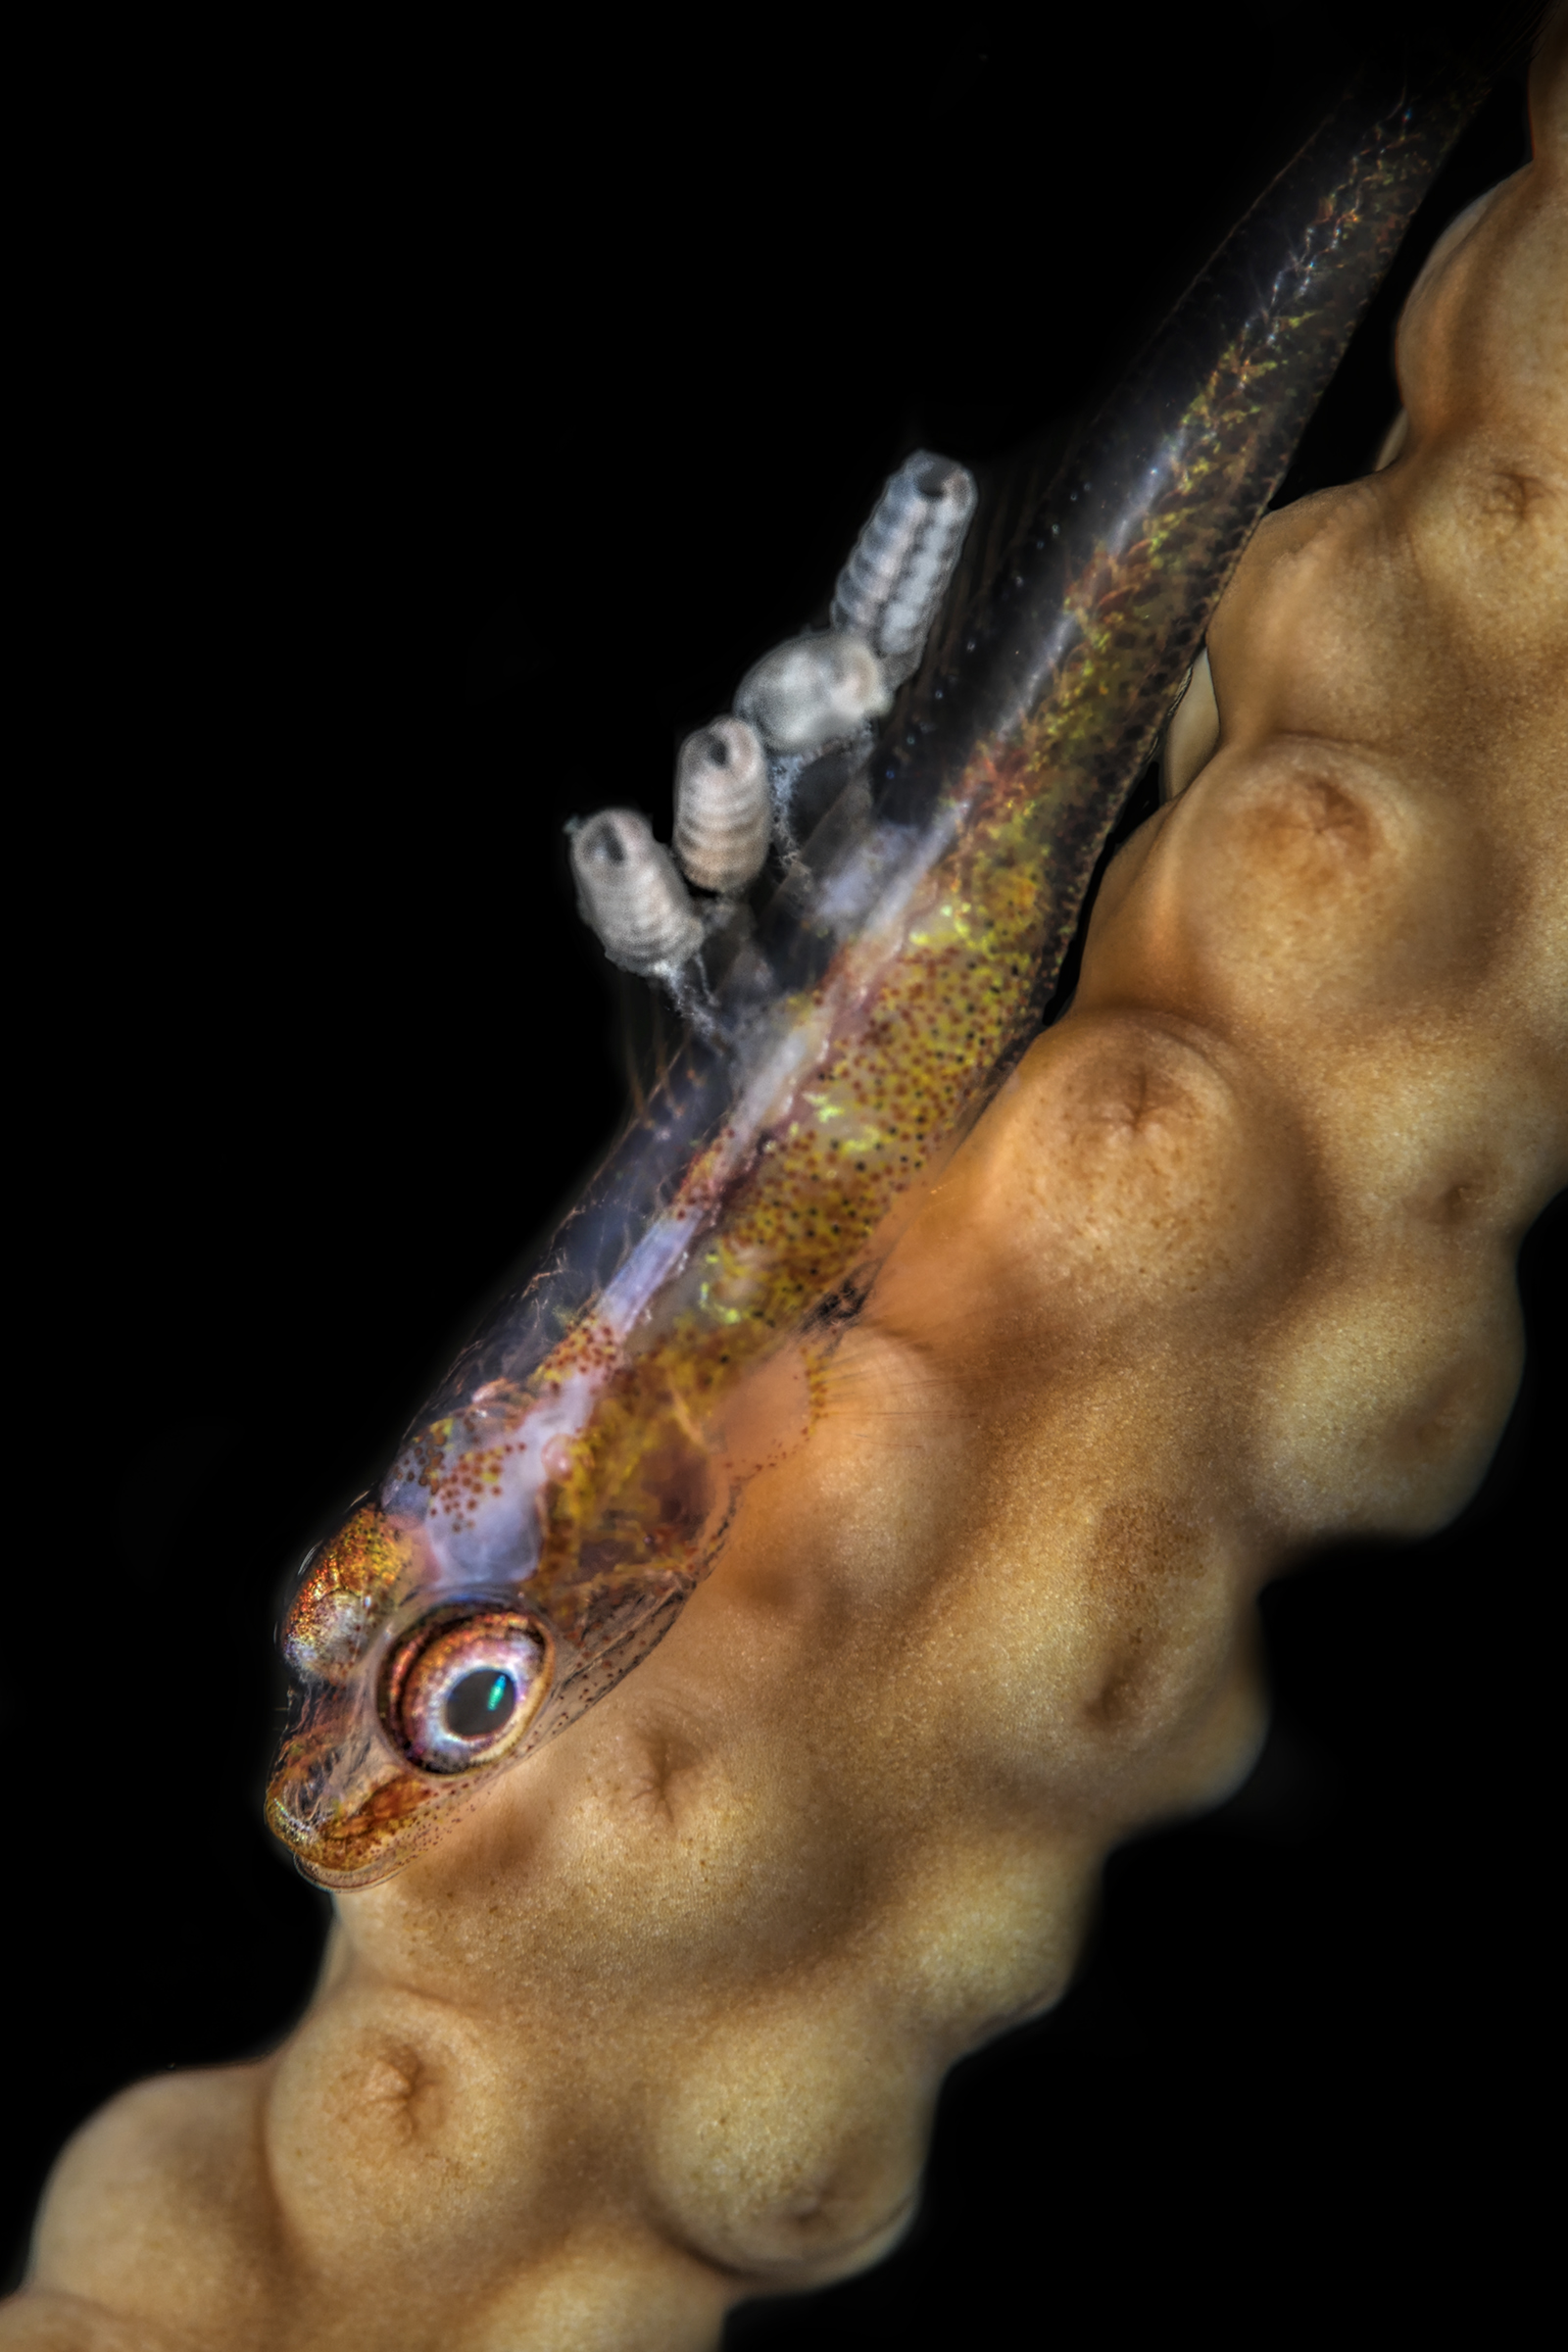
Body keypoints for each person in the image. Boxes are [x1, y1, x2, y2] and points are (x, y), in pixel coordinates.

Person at [8, 13, 1563, 2348]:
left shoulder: (631, 1450)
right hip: (839, 1007)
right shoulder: (584, 1469)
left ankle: (1385, 119)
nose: (378, 1749)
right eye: (413, 1671)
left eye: (450, 1695)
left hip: (892, 956)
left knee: (1196, 453)